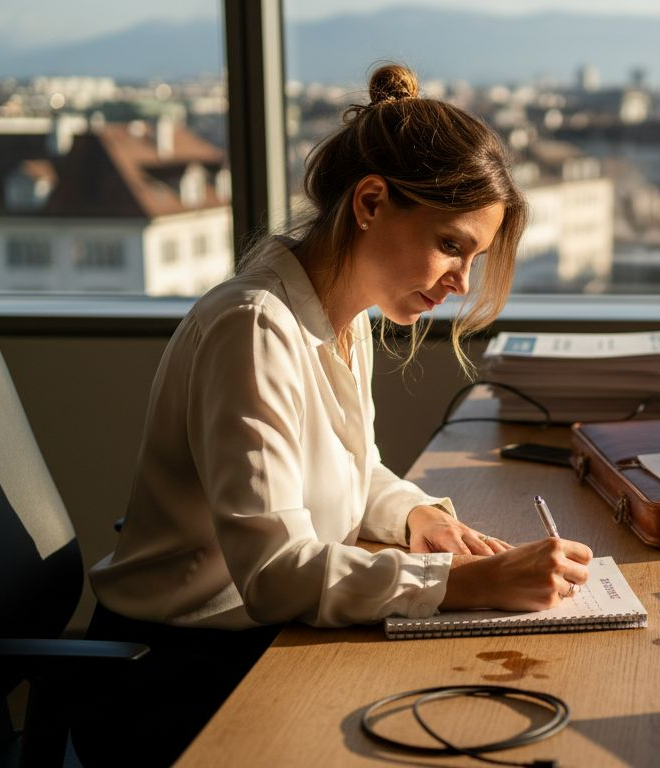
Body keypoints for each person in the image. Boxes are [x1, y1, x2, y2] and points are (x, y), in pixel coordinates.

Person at [71, 63, 592, 766]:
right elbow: (277, 573)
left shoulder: (342, 321)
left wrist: (420, 519)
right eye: (450, 245)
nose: (461, 284)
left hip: (250, 645)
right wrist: (460, 585)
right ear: (371, 203)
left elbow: (355, 469)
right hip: (171, 676)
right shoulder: (254, 328)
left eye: (474, 258)